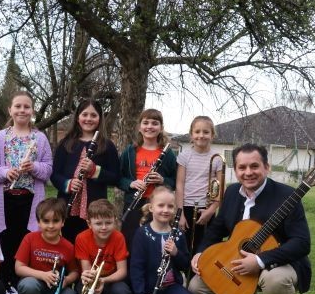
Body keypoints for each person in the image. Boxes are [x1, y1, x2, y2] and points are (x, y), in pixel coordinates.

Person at [188, 143, 311, 294]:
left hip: (279, 261)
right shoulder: (231, 193)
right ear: (235, 170)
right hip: (240, 259)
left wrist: (260, 261)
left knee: (275, 280)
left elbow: (302, 243)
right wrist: (201, 252)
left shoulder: (287, 195)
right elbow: (216, 229)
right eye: (242, 167)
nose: (248, 173)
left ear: (266, 167)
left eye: (254, 166)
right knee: (197, 287)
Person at [0, 90, 53, 294]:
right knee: (5, 241)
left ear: (32, 110)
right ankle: (4, 286)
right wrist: (6, 172)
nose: (22, 110)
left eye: (26, 106)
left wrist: (33, 167)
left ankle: (19, 286)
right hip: (5, 199)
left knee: (25, 242)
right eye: (18, 106)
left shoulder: (40, 138)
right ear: (10, 110)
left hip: (30, 200)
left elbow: (48, 169)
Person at [130, 186, 198, 294]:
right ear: (151, 208)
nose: (165, 210)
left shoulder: (178, 234)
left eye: (170, 206)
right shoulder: (142, 234)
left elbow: (185, 264)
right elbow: (136, 268)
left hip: (171, 285)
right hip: (150, 289)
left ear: (175, 209)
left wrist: (176, 253)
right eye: (161, 205)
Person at [51, 98, 120, 243]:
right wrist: (68, 184)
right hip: (67, 205)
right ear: (78, 117)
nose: (89, 118)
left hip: (95, 208)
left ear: (100, 119)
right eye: (85, 114)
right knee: (67, 242)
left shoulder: (107, 146)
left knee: (90, 244)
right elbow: (54, 174)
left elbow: (115, 177)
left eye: (93, 115)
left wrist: (95, 171)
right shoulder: (66, 143)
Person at [15, 198, 80, 294]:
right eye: (46, 221)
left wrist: (67, 280)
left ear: (63, 222)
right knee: (28, 286)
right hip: (34, 283)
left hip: (56, 287)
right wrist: (43, 275)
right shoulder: (30, 238)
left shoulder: (68, 246)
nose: (51, 226)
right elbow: (19, 268)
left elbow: (75, 271)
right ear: (38, 222)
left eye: (55, 221)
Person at [118, 108, 177, 252]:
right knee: (130, 241)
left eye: (155, 123)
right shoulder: (130, 151)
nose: (150, 126)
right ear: (139, 127)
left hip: (157, 205)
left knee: (153, 243)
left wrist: (162, 180)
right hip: (133, 203)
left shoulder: (168, 154)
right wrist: (131, 183)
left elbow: (175, 181)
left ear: (161, 128)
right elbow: (118, 178)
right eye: (146, 123)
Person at [73, 199, 132, 294]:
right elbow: (87, 270)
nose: (104, 227)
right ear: (89, 224)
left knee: (122, 292)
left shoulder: (118, 237)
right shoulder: (82, 238)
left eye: (108, 223)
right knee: (81, 289)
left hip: (110, 281)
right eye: (98, 223)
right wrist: (92, 282)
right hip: (90, 280)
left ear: (115, 221)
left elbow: (122, 271)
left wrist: (102, 281)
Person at [175, 116, 222, 258]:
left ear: (212, 135)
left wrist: (211, 210)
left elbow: (220, 188)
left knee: (204, 249)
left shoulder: (217, 158)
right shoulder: (184, 156)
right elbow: (179, 184)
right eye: (197, 132)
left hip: (206, 209)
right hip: (186, 207)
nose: (201, 135)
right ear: (191, 134)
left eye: (206, 132)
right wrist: (180, 214)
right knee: (185, 248)